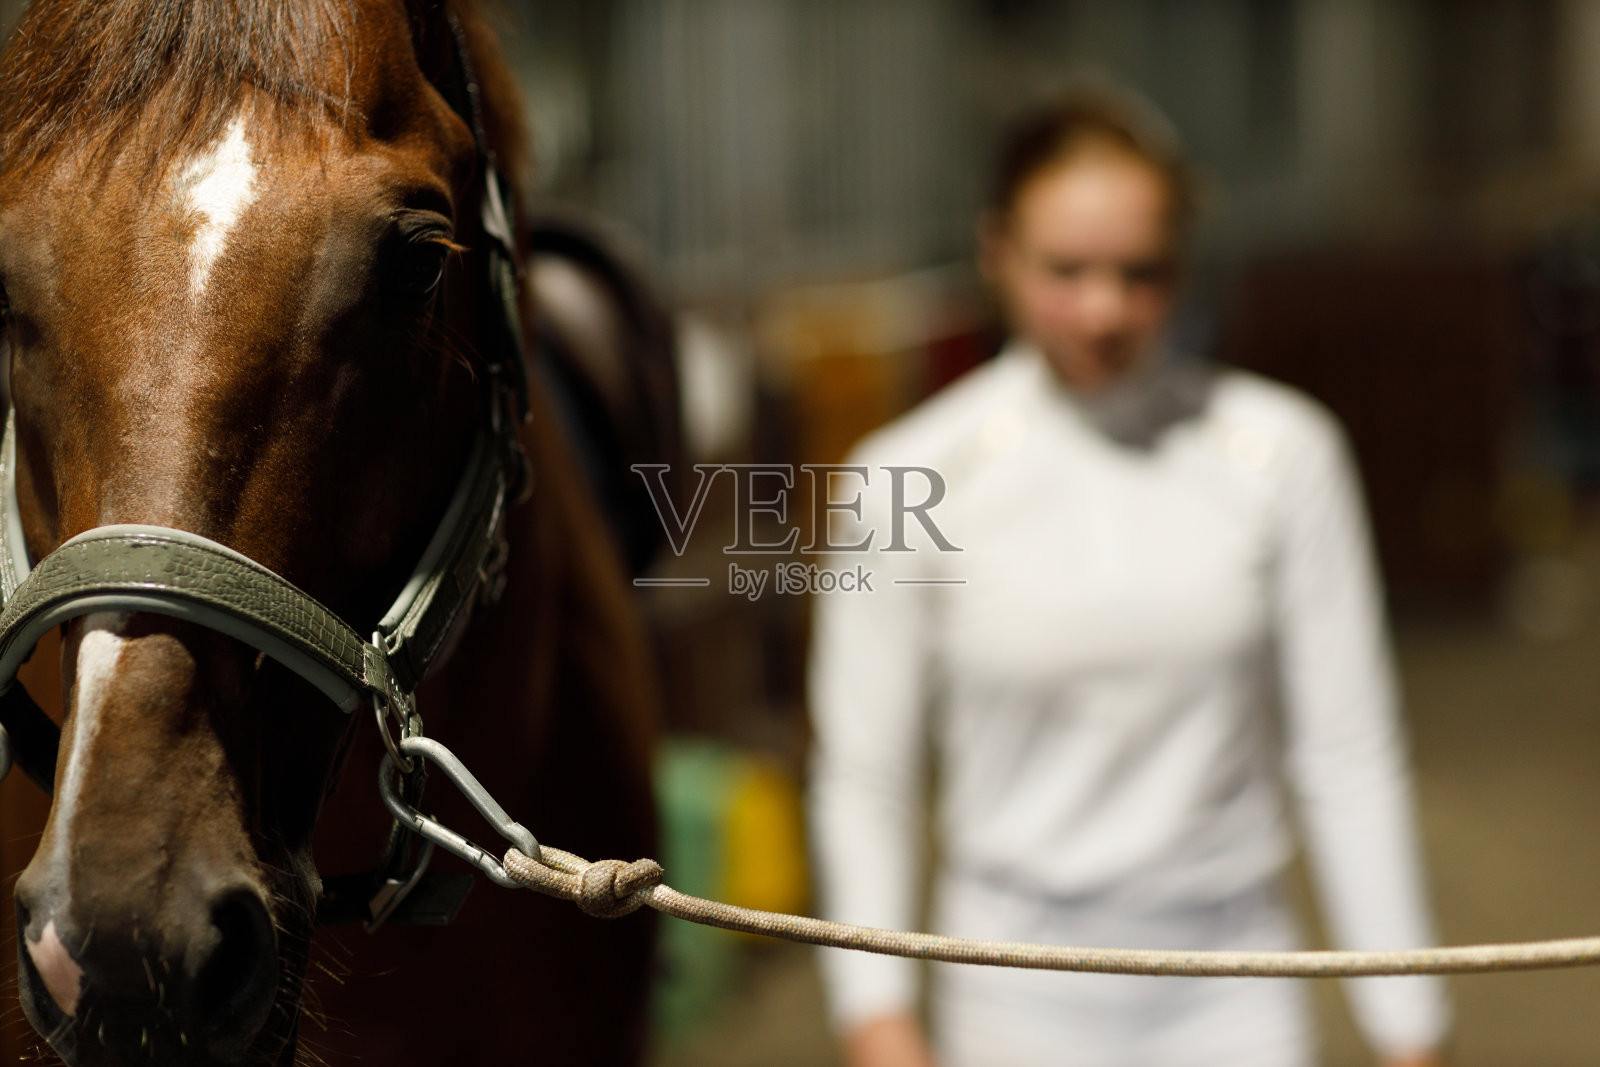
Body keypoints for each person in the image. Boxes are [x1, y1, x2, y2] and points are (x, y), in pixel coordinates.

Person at [807, 88, 1452, 1067]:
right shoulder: (905, 474)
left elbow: (1347, 747)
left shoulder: (1284, 452)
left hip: (1234, 979)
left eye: (1138, 272)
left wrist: (1408, 1020)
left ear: (1182, 266)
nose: (1103, 308)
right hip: (1009, 982)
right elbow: (866, 770)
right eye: (1065, 270)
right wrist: (876, 1011)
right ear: (998, 254)